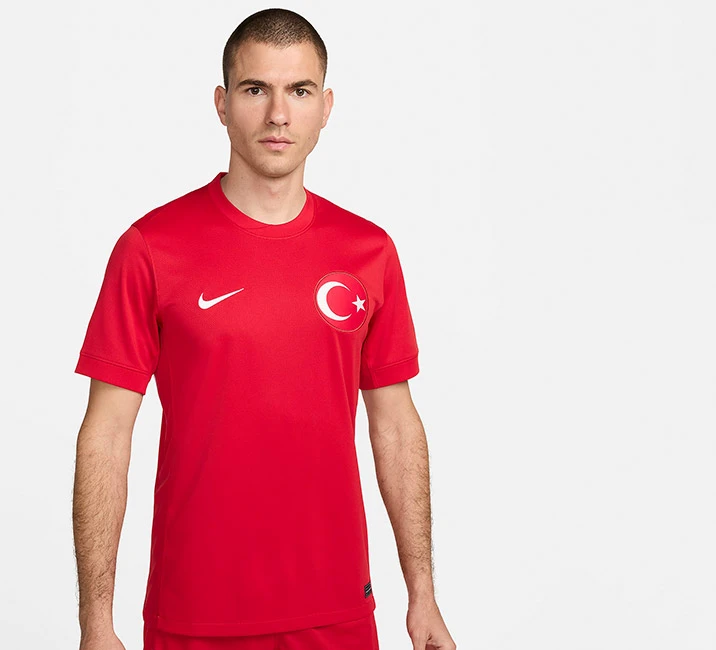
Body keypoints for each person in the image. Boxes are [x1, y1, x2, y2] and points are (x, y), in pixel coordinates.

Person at [72, 8, 455, 650]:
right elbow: (106, 435)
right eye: (256, 89)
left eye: (299, 91)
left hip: (337, 610)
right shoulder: (152, 249)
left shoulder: (369, 252)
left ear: (325, 107)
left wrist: (423, 595)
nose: (279, 114)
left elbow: (395, 426)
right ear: (222, 104)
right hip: (195, 613)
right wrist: (95, 622)